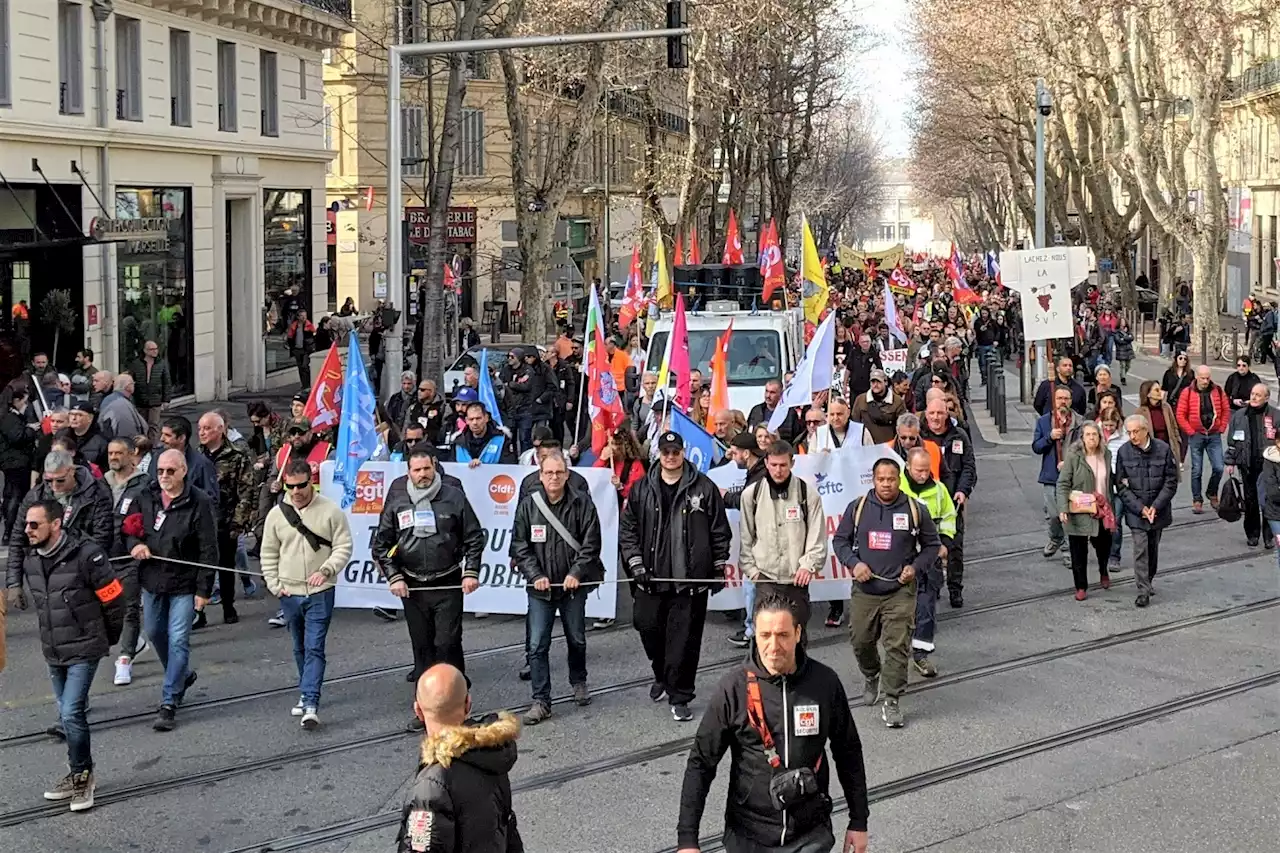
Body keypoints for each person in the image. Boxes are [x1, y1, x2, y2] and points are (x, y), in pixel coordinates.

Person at [676, 594, 869, 853]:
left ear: (798, 633)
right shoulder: (733, 688)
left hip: (811, 834)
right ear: (755, 633)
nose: (773, 646)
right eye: (765, 635)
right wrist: (687, 840)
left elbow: (848, 752)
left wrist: (858, 821)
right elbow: (701, 762)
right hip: (749, 836)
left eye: (782, 635)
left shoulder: (825, 682)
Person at [15, 499, 124, 813]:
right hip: (54, 650)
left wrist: (106, 638)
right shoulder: (33, 561)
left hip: (84, 646)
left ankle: (83, 777)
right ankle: (77, 770)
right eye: (26, 524)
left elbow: (115, 599)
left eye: (35, 524)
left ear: (56, 524)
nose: (28, 530)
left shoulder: (87, 555)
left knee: (72, 713)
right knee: (66, 713)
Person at [619, 430, 731, 722]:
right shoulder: (641, 488)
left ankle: (680, 694)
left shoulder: (704, 488)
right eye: (666, 452)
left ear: (683, 453)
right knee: (646, 626)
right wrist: (635, 565)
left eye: (675, 452)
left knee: (685, 641)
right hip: (650, 579)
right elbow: (628, 531)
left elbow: (719, 529)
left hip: (689, 581)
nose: (670, 457)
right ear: (659, 454)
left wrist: (718, 566)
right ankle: (663, 674)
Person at [373, 448, 485, 730]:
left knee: (447, 644)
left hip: (447, 582)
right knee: (423, 649)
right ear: (408, 472)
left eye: (426, 469)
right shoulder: (398, 500)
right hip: (412, 587)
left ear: (434, 467)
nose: (422, 475)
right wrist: (394, 576)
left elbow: (474, 537)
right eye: (416, 470)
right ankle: (425, 709)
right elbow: (381, 546)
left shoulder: (453, 496)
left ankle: (459, 707)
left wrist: (470, 572)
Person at [833, 456, 941, 728]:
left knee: (896, 646)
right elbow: (840, 541)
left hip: (900, 592)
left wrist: (915, 568)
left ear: (899, 479)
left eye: (891, 479)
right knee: (860, 640)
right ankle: (871, 674)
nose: (886, 484)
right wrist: (854, 563)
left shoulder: (916, 509)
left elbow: (932, 546)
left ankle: (891, 699)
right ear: (873, 480)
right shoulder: (858, 508)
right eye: (880, 479)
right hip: (865, 591)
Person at [118, 448, 219, 730]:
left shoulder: (199, 501)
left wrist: (204, 590)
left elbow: (209, 548)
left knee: (178, 640)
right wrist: (134, 546)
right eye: (160, 471)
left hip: (185, 583)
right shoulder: (145, 495)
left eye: (170, 471)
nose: (164, 476)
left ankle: (169, 700)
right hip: (152, 580)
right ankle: (181, 674)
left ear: (183, 471)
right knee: (154, 632)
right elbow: (127, 529)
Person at [509, 450, 603, 724]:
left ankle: (579, 681)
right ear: (540, 475)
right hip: (540, 589)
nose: (554, 477)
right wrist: (534, 573)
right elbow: (519, 544)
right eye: (548, 472)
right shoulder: (529, 505)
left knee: (577, 638)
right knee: (537, 645)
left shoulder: (582, 503)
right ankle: (541, 700)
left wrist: (577, 572)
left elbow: (591, 542)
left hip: (572, 587)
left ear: (567, 474)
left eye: (559, 473)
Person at [259, 459, 353, 729]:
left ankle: (311, 701)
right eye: (291, 487)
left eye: (302, 485)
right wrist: (275, 585)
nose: (297, 491)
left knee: (314, 647)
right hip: (289, 593)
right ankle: (306, 690)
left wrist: (326, 570)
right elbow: (268, 553)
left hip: (320, 592)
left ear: (311, 482)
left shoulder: (330, 510)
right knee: (299, 646)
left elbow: (343, 546)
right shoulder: (277, 515)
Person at [397, 664, 524, 853]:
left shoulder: (432, 785)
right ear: (468, 704)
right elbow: (507, 828)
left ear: (418, 711)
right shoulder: (490, 751)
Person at [737, 440, 826, 641]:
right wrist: (753, 573)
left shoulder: (808, 494)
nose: (778, 470)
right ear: (766, 463)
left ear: (792, 463)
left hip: (796, 581)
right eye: (774, 465)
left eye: (783, 465)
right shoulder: (751, 495)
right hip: (765, 580)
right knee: (765, 642)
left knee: (796, 640)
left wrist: (808, 566)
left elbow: (817, 537)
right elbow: (746, 538)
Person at [897, 447, 955, 678]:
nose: (923, 474)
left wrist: (945, 542)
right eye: (919, 470)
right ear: (908, 467)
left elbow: (950, 517)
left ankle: (921, 655)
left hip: (929, 561)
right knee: (899, 610)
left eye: (926, 470)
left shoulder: (939, 491)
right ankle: (898, 653)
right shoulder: (896, 488)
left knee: (926, 608)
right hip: (901, 560)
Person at [196, 412, 257, 627]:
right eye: (201, 428)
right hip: (201, 521)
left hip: (226, 519)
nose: (202, 432)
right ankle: (198, 611)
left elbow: (246, 491)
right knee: (200, 567)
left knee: (225, 565)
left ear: (221, 429)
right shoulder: (196, 456)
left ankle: (228, 605)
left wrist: (238, 522)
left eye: (208, 428)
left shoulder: (237, 456)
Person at [1115, 414, 1179, 608]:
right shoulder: (1124, 452)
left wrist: (1155, 507)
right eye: (1129, 432)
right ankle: (1142, 590)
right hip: (1136, 511)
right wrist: (1140, 508)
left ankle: (1148, 579)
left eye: (1136, 432)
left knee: (1153, 547)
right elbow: (1121, 485)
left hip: (1158, 509)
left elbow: (1171, 481)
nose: (1132, 436)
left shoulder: (1163, 449)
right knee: (1140, 548)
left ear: (1145, 430)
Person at [919, 395, 976, 608]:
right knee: (925, 548)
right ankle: (931, 587)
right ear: (926, 414)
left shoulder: (959, 436)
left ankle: (955, 589)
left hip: (952, 502)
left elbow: (969, 467)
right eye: (932, 413)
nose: (936, 417)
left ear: (947, 414)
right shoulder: (919, 437)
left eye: (940, 413)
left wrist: (963, 490)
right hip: (925, 503)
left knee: (954, 547)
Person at [104, 437, 151, 685]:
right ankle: (136, 642)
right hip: (105, 555)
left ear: (131, 455)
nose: (113, 457)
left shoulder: (144, 484)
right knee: (111, 608)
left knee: (131, 607)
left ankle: (124, 659)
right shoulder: (103, 483)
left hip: (131, 554)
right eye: (110, 453)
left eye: (118, 453)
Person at [1056, 422, 1116, 600]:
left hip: (1102, 509)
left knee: (1104, 545)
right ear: (1082, 438)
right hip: (1080, 509)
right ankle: (1080, 586)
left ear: (1100, 437)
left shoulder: (1106, 454)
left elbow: (1111, 480)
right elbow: (1063, 483)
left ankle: (1103, 570)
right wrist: (1062, 508)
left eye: (1095, 435)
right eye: (1088, 435)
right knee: (1078, 549)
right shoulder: (1074, 456)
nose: (1092, 438)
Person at [1032, 386, 1087, 558]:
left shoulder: (1080, 422)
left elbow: (1086, 449)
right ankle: (1055, 538)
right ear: (1054, 402)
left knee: (1070, 515)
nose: (1063, 402)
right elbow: (1036, 447)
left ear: (1071, 401)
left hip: (1073, 477)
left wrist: (1070, 462)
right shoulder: (1044, 422)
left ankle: (1068, 551)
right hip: (1051, 476)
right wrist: (1050, 437)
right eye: (1059, 398)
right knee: (1054, 514)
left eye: (1066, 398)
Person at [1225, 382, 1280, 549]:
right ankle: (1252, 533)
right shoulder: (1240, 415)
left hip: (1269, 466)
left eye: (1258, 395)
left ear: (1266, 397)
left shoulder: (1276, 415)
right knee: (1250, 501)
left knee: (1268, 500)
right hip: (1247, 464)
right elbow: (1232, 441)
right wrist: (1230, 462)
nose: (1254, 397)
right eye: (1252, 394)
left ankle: (1268, 535)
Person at [1175, 365, 1229, 514]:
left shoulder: (1217, 390)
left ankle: (1212, 492)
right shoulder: (1187, 392)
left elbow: (1225, 409)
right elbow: (1180, 414)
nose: (1205, 381)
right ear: (1196, 377)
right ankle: (1197, 500)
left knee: (1219, 467)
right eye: (1202, 378)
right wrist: (1190, 431)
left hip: (1213, 434)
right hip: (1196, 434)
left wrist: (1222, 427)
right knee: (1196, 470)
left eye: (1207, 378)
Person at [0, 384, 36, 544]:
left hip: (12, 462)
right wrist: (31, 430)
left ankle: (10, 530)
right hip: (16, 463)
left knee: (11, 495)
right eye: (25, 401)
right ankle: (9, 531)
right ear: (16, 400)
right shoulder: (9, 417)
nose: (26, 405)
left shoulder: (11, 417)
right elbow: (17, 437)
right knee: (15, 496)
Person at [126, 340, 171, 442]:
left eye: (156, 349)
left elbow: (166, 382)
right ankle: (142, 445)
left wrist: (166, 399)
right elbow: (130, 379)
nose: (155, 351)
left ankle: (153, 446)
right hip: (140, 399)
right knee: (141, 424)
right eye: (152, 349)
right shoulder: (136, 364)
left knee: (153, 425)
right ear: (145, 351)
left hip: (155, 399)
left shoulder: (161, 364)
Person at [849, 371, 901, 444]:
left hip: (888, 446)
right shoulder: (860, 399)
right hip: (866, 446)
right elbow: (854, 424)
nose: (875, 385)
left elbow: (901, 427)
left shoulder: (897, 401)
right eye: (873, 382)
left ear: (885, 382)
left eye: (879, 382)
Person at [96, 373, 148, 442]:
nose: (134, 386)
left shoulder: (110, 399)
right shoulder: (119, 402)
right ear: (128, 386)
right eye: (133, 383)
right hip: (122, 443)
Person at [287, 308, 317, 388]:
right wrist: (292, 348)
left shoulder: (308, 325)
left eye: (305, 316)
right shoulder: (294, 325)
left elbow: (313, 334)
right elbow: (290, 337)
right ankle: (304, 385)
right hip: (297, 349)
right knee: (300, 368)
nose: (304, 318)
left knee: (305, 366)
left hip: (306, 349)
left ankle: (308, 384)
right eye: (302, 316)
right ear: (298, 317)